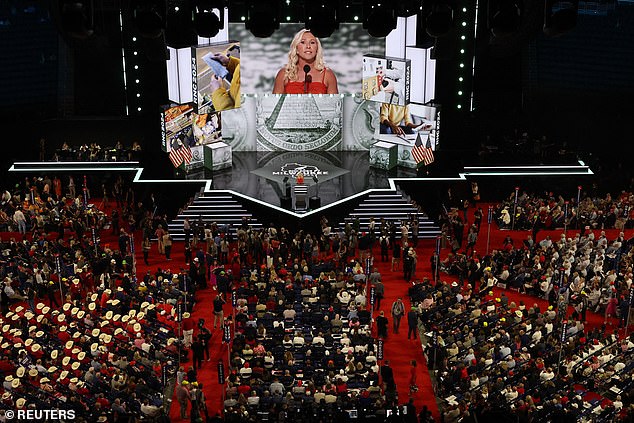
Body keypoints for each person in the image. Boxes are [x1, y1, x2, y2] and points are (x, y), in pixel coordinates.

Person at [273, 29, 338, 94]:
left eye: (312, 42)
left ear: (317, 48)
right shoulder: (284, 74)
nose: (308, 46)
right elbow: (275, 103)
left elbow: (335, 103)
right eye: (303, 42)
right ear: (296, 48)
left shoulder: (328, 75)